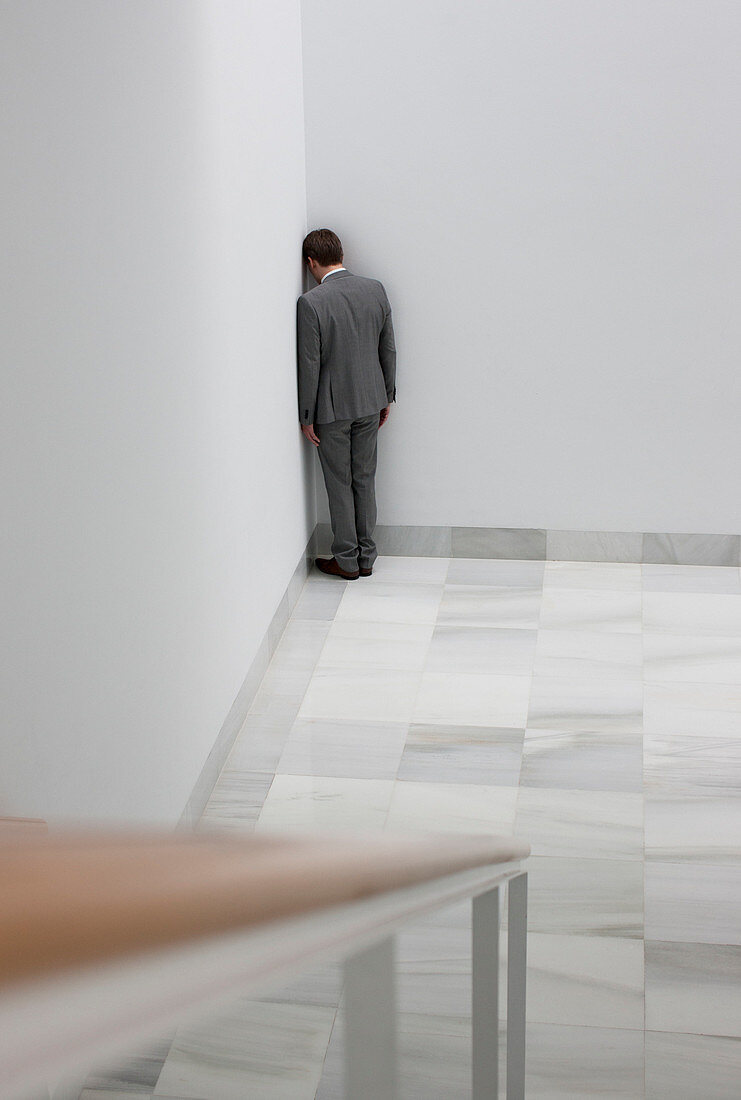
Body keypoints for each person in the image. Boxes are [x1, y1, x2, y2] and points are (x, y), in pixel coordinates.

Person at [297, 228, 396, 579]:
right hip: (371, 402)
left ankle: (346, 560)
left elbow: (310, 364)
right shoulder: (375, 289)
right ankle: (367, 556)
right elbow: (388, 348)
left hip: (332, 409)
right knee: (365, 479)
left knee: (339, 483)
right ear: (341, 253)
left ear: (311, 262)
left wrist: (306, 416)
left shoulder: (312, 302)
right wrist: (387, 395)